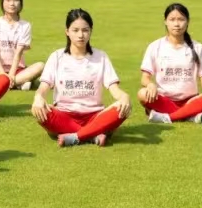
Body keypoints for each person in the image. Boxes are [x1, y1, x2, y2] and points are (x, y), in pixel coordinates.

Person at [32, 9, 130, 147]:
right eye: (75, 30)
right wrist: (38, 97)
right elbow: (43, 87)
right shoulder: (57, 57)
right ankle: (93, 135)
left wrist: (124, 97)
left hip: (94, 115)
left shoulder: (101, 57)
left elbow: (114, 89)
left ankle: (76, 136)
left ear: (91, 31)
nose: (80, 35)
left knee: (123, 107)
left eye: (85, 30)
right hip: (65, 115)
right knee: (39, 110)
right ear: (67, 31)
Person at [140, 3, 202, 124]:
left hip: (190, 100)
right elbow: (145, 78)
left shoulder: (198, 48)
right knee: (142, 94)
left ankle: (168, 117)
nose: (176, 24)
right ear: (165, 21)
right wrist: (150, 85)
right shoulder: (155, 46)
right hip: (164, 99)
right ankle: (189, 115)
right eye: (172, 19)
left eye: (181, 19)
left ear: (188, 21)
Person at [0, 0, 44, 90]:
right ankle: (20, 83)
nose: (12, 4)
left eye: (15, 0)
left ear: (20, 2)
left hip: (17, 69)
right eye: (8, 0)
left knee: (41, 66)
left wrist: (11, 75)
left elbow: (18, 53)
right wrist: (2, 73)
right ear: (2, 2)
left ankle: (6, 84)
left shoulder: (25, 25)